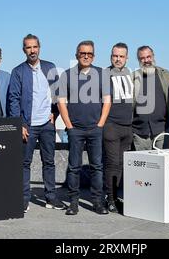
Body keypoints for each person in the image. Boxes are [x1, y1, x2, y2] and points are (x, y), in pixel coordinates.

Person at [7, 34, 65, 213]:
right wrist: (20, 125)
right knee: (24, 163)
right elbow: (13, 99)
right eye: (28, 47)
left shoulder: (50, 67)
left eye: (34, 47)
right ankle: (23, 200)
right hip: (28, 125)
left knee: (49, 162)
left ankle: (51, 198)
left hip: (47, 125)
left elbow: (58, 94)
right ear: (24, 50)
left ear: (39, 48)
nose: (32, 50)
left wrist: (55, 113)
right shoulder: (18, 71)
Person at [57, 40, 111, 215]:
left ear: (93, 56)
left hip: (95, 128)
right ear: (77, 55)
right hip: (76, 130)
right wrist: (69, 127)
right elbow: (61, 102)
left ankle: (97, 202)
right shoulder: (66, 75)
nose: (86, 56)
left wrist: (100, 124)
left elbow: (107, 101)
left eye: (89, 53)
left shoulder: (102, 74)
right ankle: (73, 203)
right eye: (82, 53)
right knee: (74, 167)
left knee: (97, 166)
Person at [103, 43, 134, 213]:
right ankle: (110, 197)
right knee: (113, 163)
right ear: (111, 56)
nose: (118, 59)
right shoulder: (104, 74)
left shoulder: (130, 74)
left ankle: (115, 196)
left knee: (122, 164)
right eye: (115, 56)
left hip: (127, 127)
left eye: (121, 56)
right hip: (111, 126)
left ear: (126, 58)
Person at [132, 46, 169, 150]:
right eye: (142, 58)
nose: (146, 60)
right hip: (140, 132)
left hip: (162, 130)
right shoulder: (133, 77)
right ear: (138, 60)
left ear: (153, 56)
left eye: (148, 57)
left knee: (163, 164)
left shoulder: (166, 75)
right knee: (142, 165)